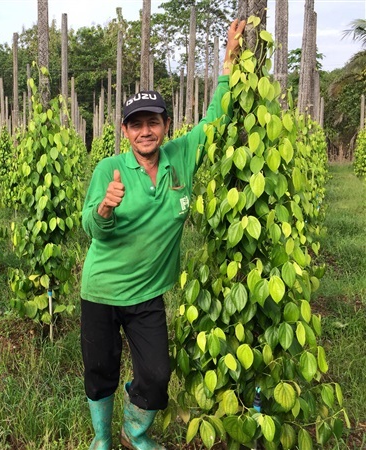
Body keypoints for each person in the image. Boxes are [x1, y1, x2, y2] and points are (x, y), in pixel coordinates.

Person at [80, 19, 246, 450]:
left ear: (166, 125)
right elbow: (91, 228)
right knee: (100, 370)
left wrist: (228, 61)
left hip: (148, 294)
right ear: (124, 132)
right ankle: (101, 439)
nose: (145, 131)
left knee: (156, 373)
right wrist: (104, 208)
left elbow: (215, 116)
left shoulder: (181, 156)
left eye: (152, 121)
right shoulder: (108, 170)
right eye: (135, 125)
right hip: (101, 290)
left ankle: (134, 431)